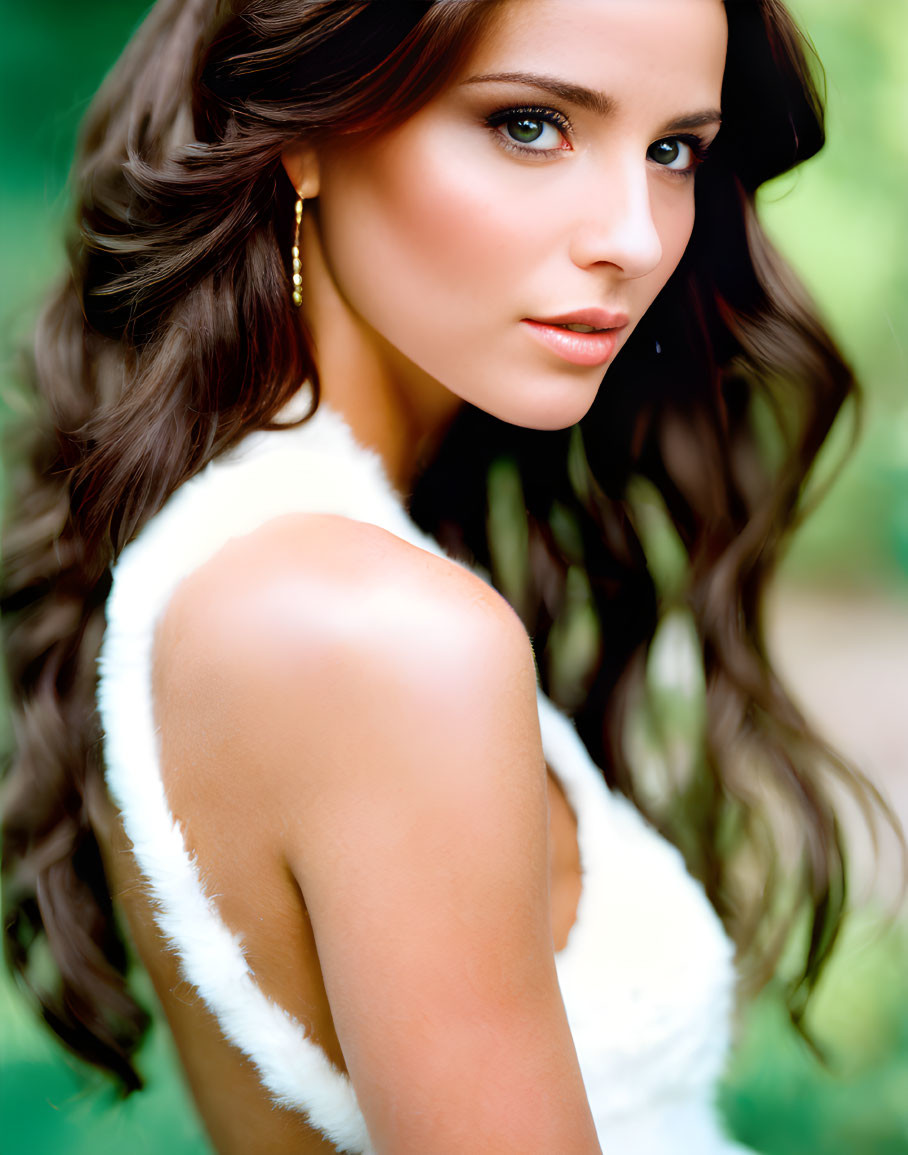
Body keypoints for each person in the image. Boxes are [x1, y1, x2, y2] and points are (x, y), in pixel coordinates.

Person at [0, 0, 882, 1151]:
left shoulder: (244, 558)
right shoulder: (378, 633)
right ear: (303, 133)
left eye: (672, 151)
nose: (632, 233)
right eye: (528, 125)